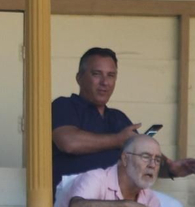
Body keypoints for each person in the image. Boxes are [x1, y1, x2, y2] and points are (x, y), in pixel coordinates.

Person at [51, 46, 195, 187]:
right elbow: (69, 143)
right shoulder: (64, 105)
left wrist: (171, 169)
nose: (105, 82)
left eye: (111, 75)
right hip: (76, 193)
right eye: (96, 74)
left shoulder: (117, 117)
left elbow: (141, 157)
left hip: (121, 194)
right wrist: (119, 140)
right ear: (79, 78)